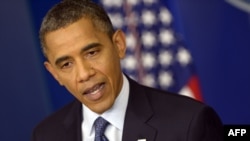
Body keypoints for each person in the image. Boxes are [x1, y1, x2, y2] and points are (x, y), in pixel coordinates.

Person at [32, 0, 224, 141]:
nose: (84, 74)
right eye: (66, 64)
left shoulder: (190, 123)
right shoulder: (45, 135)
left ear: (119, 45)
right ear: (54, 73)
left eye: (92, 53)